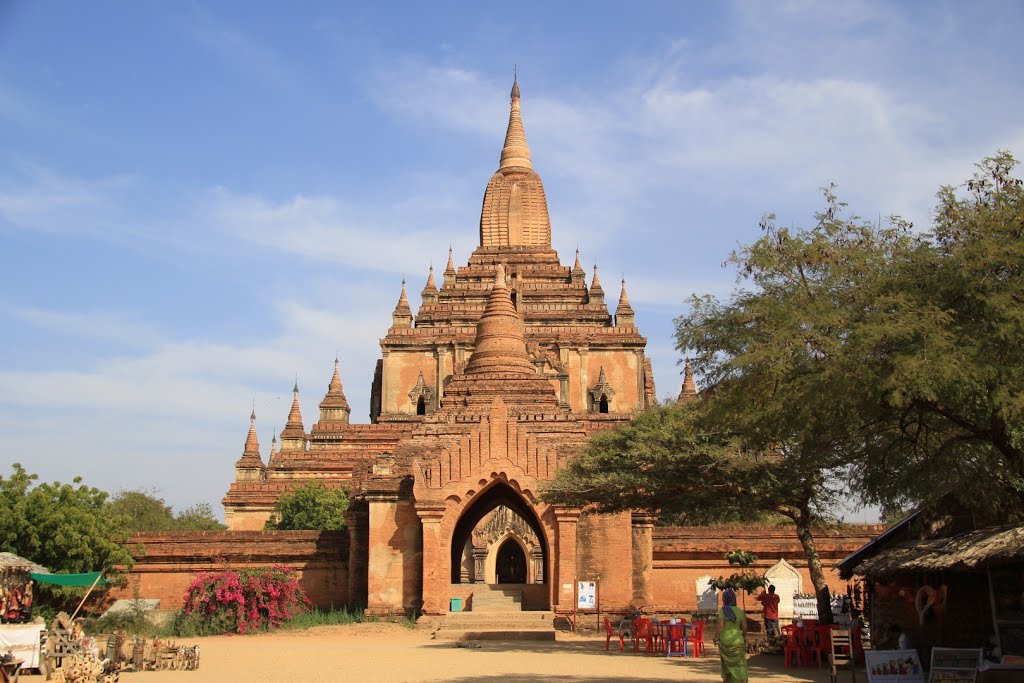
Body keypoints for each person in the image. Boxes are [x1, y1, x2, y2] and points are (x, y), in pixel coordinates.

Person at [717, 588, 748, 683]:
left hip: (725, 641)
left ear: (724, 599)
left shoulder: (722, 611)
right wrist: (743, 636)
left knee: (726, 664)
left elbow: (721, 627)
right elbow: (745, 627)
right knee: (740, 663)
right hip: (738, 641)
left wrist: (717, 637)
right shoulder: (740, 611)